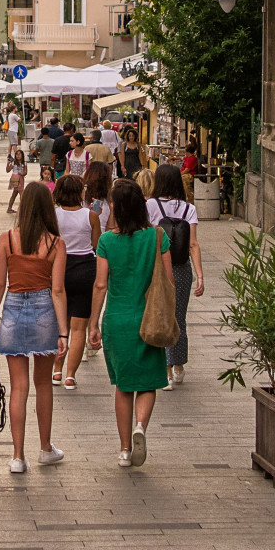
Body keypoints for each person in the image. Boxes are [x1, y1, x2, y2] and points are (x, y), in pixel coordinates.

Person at [0, 182, 68, 473]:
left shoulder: (7, 239)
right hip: (45, 308)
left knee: (19, 386)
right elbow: (58, 291)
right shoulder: (56, 243)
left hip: (14, 308)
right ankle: (45, 448)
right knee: (43, 384)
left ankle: (17, 456)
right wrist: (63, 331)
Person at [90, 179, 172, 468]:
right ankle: (140, 426)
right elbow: (168, 281)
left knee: (123, 387)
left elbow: (100, 285)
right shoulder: (157, 237)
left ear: (117, 208)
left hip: (117, 320)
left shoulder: (106, 241)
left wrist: (93, 325)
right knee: (147, 383)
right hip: (149, 318)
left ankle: (125, 450)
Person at [147, 163, 205, 388]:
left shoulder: (149, 206)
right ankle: (178, 365)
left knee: (159, 314)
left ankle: (166, 370)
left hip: (156, 267)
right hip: (181, 268)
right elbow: (192, 244)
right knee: (178, 316)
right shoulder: (188, 208)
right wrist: (199, 275)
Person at [52, 175, 99, 390]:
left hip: (59, 269)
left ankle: (57, 369)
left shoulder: (53, 215)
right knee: (79, 328)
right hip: (85, 269)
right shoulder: (91, 216)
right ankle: (70, 375)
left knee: (59, 324)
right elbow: (96, 244)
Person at [6, 148, 28, 214]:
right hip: (15, 177)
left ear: (22, 155)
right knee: (21, 193)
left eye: (19, 154)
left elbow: (25, 172)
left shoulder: (24, 163)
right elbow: (8, 170)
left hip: (20, 177)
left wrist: (22, 174)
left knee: (15, 193)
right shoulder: (14, 162)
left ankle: (9, 208)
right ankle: (22, 209)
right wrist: (8, 164)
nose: (18, 156)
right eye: (16, 154)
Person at [180, 139, 201, 203]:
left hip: (190, 175)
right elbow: (181, 159)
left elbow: (187, 170)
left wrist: (179, 174)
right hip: (186, 173)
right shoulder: (187, 157)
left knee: (182, 179)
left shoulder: (192, 159)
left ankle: (190, 195)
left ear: (188, 152)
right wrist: (173, 158)